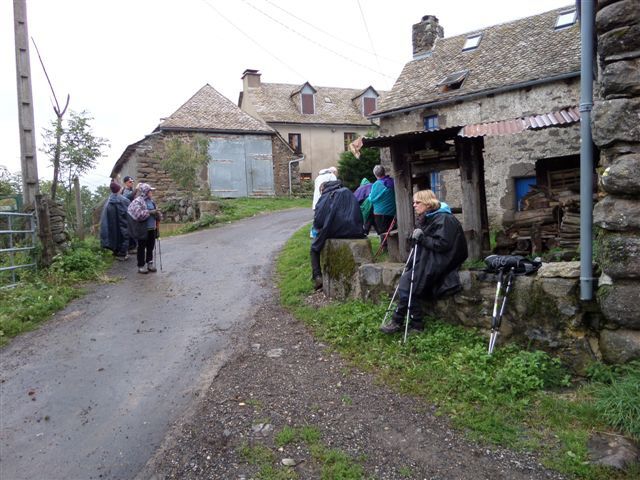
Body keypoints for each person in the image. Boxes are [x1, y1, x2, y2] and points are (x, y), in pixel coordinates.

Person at [380, 190, 468, 334]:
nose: (414, 205)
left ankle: (403, 321)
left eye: (417, 202)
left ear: (427, 203)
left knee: (409, 284)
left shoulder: (444, 218)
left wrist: (422, 238)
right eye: (414, 202)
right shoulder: (429, 217)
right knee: (407, 283)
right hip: (431, 255)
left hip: (443, 259)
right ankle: (411, 323)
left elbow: (443, 245)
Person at [311, 180, 365, 290]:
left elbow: (318, 221)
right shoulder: (348, 192)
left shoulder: (326, 196)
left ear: (323, 189)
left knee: (314, 248)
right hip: (356, 231)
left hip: (335, 231)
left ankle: (317, 276)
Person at [127, 182, 161, 274]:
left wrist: (158, 214)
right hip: (142, 229)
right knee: (141, 247)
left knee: (150, 247)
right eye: (150, 191)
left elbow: (156, 213)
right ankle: (141, 266)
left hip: (152, 229)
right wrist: (150, 212)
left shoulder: (152, 201)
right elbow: (138, 215)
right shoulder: (137, 201)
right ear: (145, 192)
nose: (152, 193)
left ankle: (150, 263)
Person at [99, 181, 130, 260]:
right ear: (118, 190)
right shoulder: (123, 200)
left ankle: (116, 251)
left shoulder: (108, 201)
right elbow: (129, 210)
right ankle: (122, 253)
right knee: (125, 236)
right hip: (123, 223)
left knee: (114, 236)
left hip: (113, 224)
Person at [369, 165, 396, 247]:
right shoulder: (392, 181)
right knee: (391, 230)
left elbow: (372, 199)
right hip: (392, 212)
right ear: (384, 172)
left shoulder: (377, 184)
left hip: (380, 213)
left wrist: (370, 195)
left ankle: (384, 248)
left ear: (375, 174)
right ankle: (391, 247)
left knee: (383, 232)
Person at [121, 176, 137, 252]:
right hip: (127, 213)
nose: (132, 183)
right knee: (130, 230)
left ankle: (134, 246)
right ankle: (131, 247)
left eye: (132, 181)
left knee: (134, 229)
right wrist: (136, 190)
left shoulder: (132, 190)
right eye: (130, 182)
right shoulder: (125, 191)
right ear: (125, 183)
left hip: (133, 212)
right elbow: (127, 198)